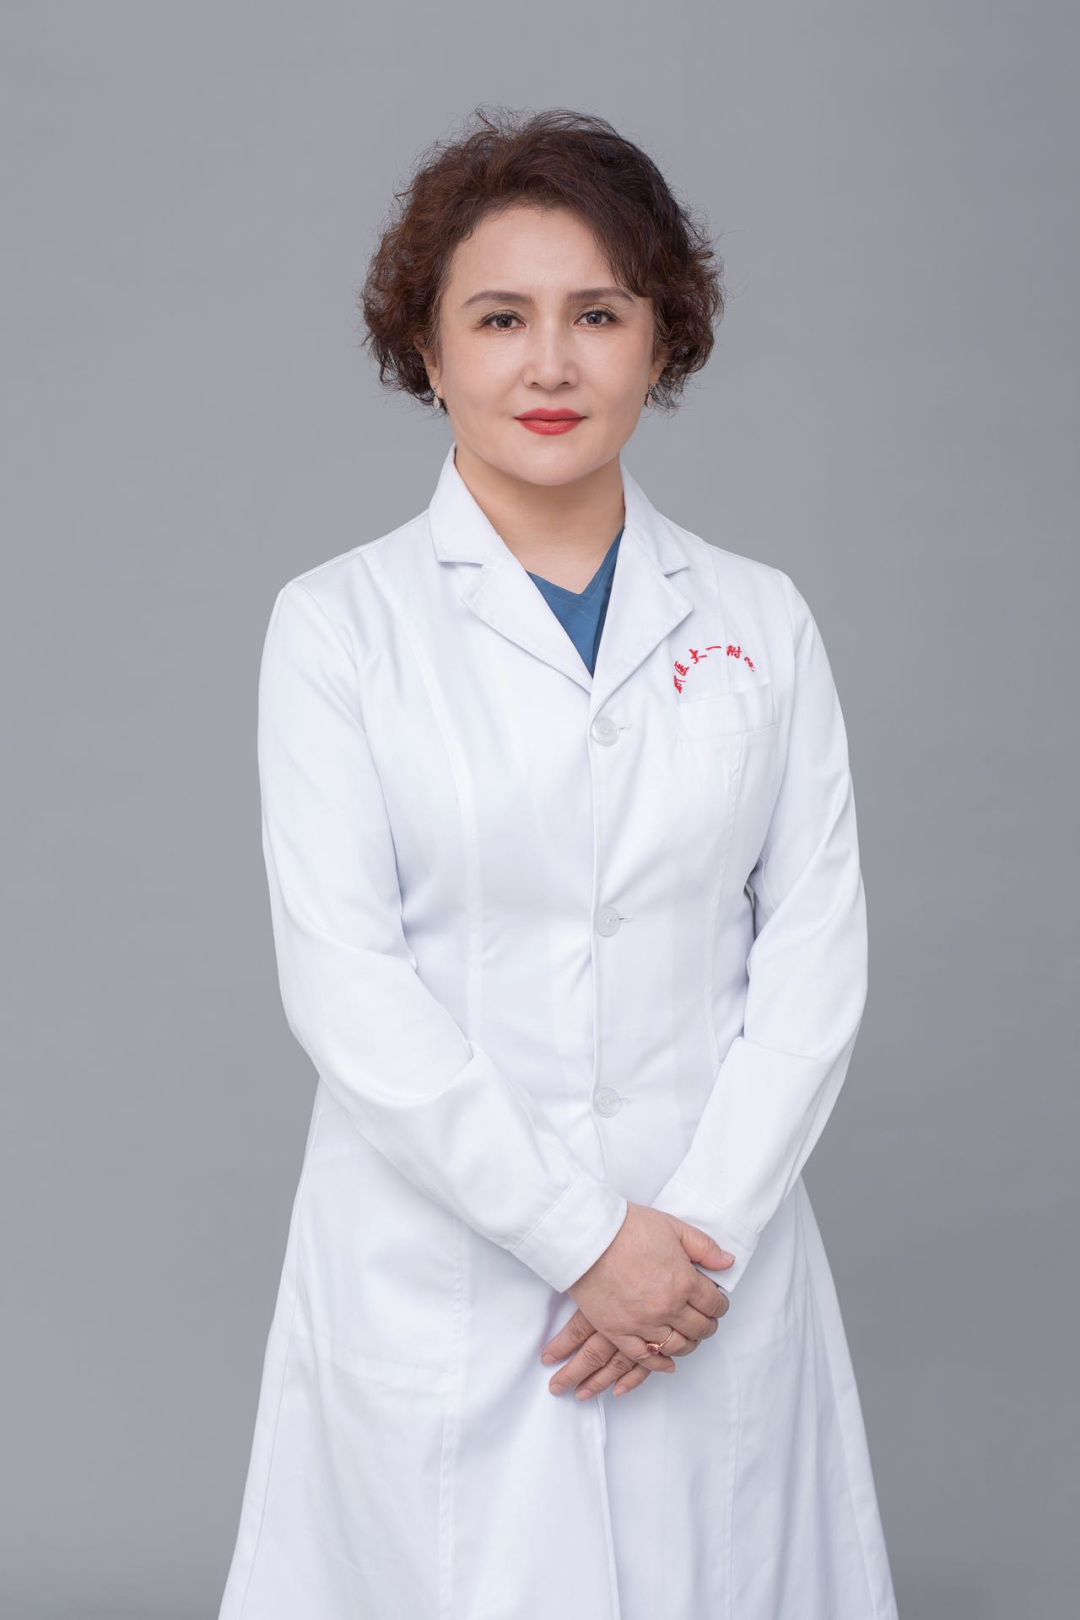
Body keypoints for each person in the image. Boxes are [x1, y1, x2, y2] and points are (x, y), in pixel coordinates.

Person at [217, 106, 900, 1620]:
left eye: (598, 313)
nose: (550, 365)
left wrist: (689, 1248)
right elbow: (348, 986)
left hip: (708, 1262)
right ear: (427, 348)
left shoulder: (762, 620)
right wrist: (582, 1241)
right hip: (449, 1273)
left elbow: (814, 959)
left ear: (663, 339)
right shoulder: (338, 629)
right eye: (499, 318)